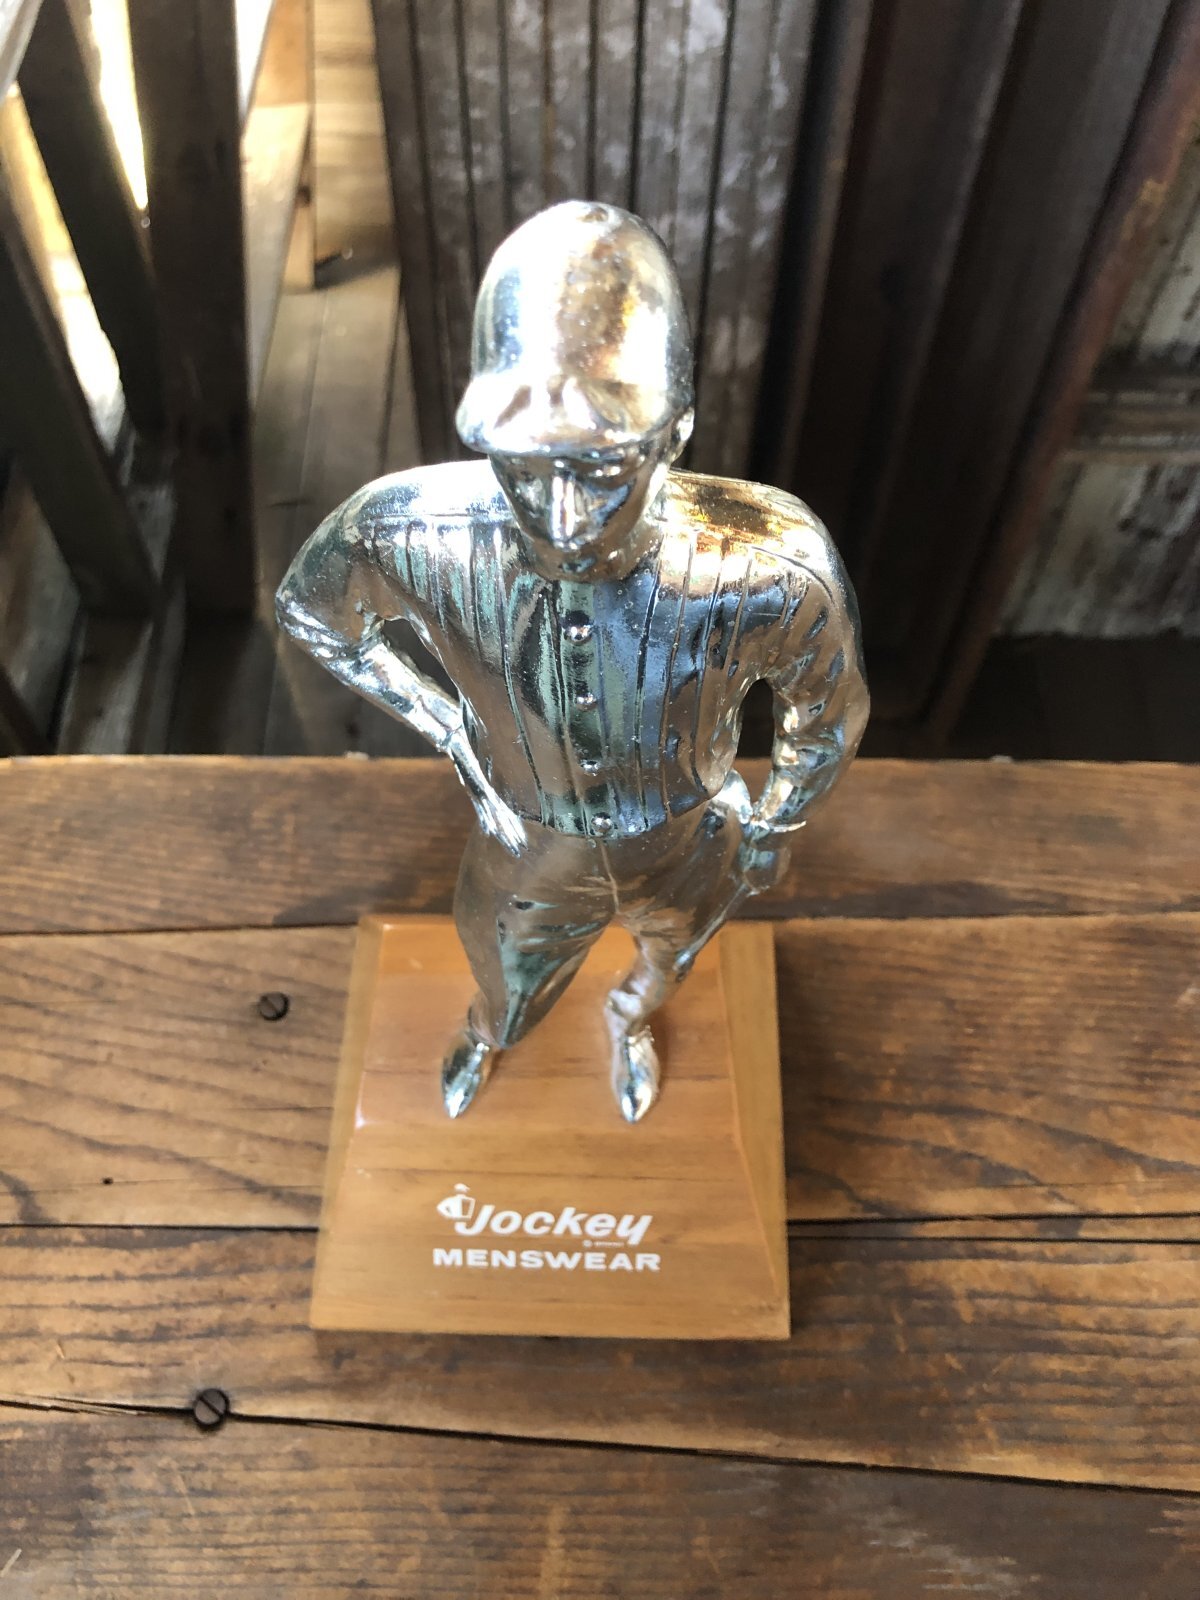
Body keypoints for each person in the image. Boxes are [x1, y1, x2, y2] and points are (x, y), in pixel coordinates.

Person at [276, 200, 868, 1123]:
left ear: (673, 435)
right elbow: (314, 613)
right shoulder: (408, 533)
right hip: (528, 849)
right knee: (504, 981)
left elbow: (825, 712)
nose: (560, 518)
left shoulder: (769, 566)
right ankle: (489, 1032)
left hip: (691, 842)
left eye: (599, 469)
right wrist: (446, 723)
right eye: (521, 466)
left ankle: (629, 1023)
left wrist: (776, 825)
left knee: (669, 962)